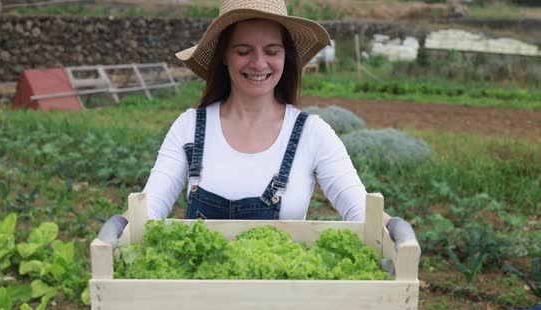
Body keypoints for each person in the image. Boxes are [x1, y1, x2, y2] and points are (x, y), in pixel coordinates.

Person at [98, 0, 419, 266]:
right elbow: (150, 207)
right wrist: (118, 227)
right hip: (198, 295)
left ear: (285, 57)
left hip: (279, 296)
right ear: (224, 55)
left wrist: (394, 230)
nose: (259, 63)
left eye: (271, 50)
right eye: (243, 50)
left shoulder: (312, 134)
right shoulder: (190, 127)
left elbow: (360, 210)